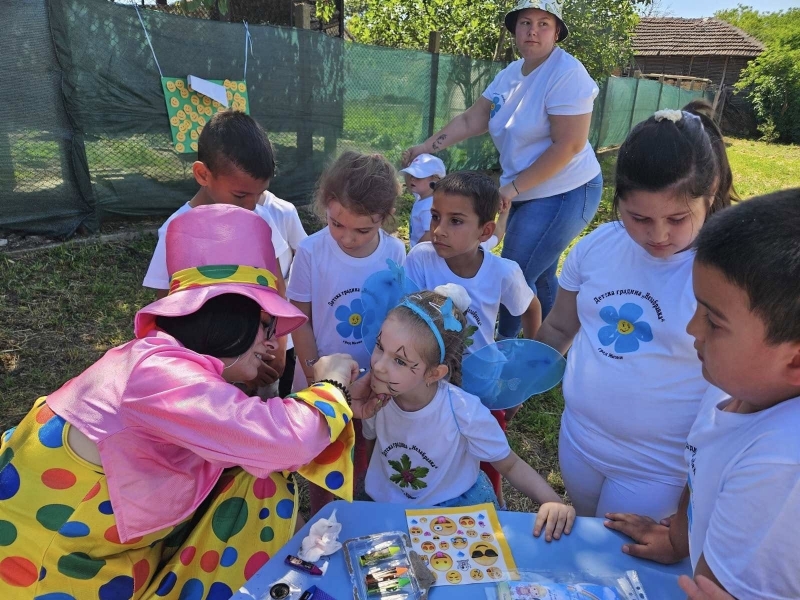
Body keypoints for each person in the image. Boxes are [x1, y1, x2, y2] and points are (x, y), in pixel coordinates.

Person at [0, 205, 386, 599]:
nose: (273, 342)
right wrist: (331, 385)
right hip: (48, 575)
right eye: (266, 324)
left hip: (101, 560)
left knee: (258, 476)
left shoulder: (160, 365)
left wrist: (338, 403)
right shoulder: (158, 374)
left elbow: (256, 440)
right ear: (229, 316)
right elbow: (283, 442)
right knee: (263, 476)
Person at [535, 103, 736, 520]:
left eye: (677, 218)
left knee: (618, 556)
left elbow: (738, 390)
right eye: (639, 217)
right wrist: (522, 379)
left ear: (711, 191)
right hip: (579, 443)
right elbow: (559, 327)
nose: (658, 235)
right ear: (617, 199)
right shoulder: (595, 249)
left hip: (660, 469)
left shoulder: (728, 271)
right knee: (588, 533)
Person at [604, 189, 800, 598]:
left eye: (713, 320)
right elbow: (702, 462)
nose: (692, 329)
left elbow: (715, 590)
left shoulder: (781, 465)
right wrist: (678, 538)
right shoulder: (732, 385)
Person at [403, 0, 603, 329]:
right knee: (539, 273)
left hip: (566, 189)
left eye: (543, 24)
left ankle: (505, 348)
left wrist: (511, 189)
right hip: (523, 188)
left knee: (517, 269)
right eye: (525, 22)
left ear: (556, 32)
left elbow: (569, 145)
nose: (532, 31)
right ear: (515, 29)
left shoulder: (567, 74)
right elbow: (471, 120)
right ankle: (550, 344)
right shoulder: (510, 75)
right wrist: (426, 146)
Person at [362, 285, 575, 542]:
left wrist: (552, 501)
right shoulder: (373, 400)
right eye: (379, 346)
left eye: (399, 361)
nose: (379, 366)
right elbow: (370, 444)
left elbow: (510, 464)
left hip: (452, 514)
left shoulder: (462, 411)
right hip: (388, 510)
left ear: (434, 373)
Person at [142, 110, 304, 397]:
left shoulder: (262, 219)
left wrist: (279, 348)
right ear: (203, 174)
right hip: (209, 366)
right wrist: (225, 365)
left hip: (264, 355)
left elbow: (277, 286)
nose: (252, 206)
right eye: (241, 195)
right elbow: (166, 304)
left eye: (259, 194)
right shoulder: (176, 230)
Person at [404, 171, 541, 506]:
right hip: (432, 382)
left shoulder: (503, 272)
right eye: (435, 217)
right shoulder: (421, 259)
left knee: (490, 453)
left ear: (485, 231)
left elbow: (531, 308)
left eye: (455, 221)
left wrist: (525, 372)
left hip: (485, 384)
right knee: (435, 450)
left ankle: (494, 506)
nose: (439, 229)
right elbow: (408, 317)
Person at [287, 150, 406, 513]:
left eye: (362, 229)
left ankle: (357, 509)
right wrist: (317, 378)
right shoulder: (311, 251)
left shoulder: (395, 251)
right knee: (324, 456)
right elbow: (299, 318)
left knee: (365, 447)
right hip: (321, 378)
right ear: (326, 205)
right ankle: (321, 516)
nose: (347, 238)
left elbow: (395, 315)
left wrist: (382, 376)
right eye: (336, 223)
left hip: (374, 379)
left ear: (385, 216)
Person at [400, 153, 446, 247]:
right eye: (411, 175)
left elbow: (430, 233)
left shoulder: (428, 207)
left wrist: (415, 252)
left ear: (435, 179)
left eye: (418, 177)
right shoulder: (423, 197)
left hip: (423, 252)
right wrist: (406, 166)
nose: (412, 179)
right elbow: (409, 185)